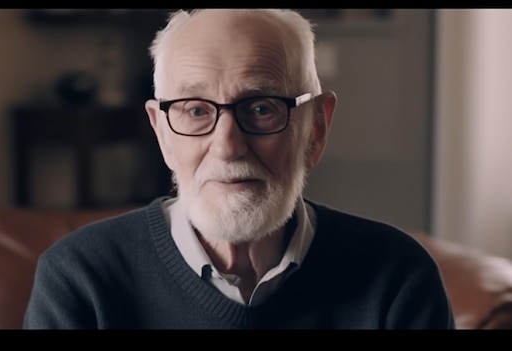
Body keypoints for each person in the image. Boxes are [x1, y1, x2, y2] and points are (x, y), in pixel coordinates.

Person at [23, 8, 455, 329]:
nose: (228, 146)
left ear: (316, 128)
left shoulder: (397, 277)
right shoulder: (80, 277)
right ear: (162, 133)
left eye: (262, 108)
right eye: (195, 110)